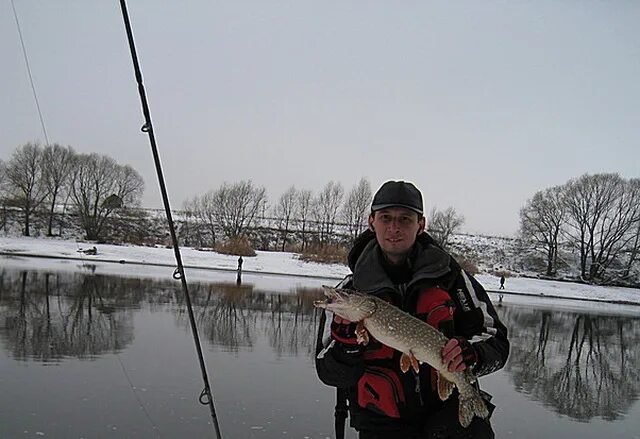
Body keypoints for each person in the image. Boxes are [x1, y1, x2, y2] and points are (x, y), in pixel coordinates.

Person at [315, 180, 509, 439]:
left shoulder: (453, 280)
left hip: (448, 420)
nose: (394, 227)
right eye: (386, 217)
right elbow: (328, 373)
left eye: (405, 219)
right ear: (372, 221)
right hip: (380, 424)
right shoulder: (352, 291)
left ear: (421, 224)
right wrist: (346, 343)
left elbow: (497, 342)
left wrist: (471, 353)